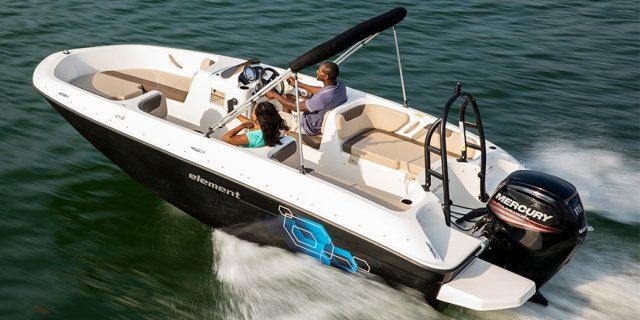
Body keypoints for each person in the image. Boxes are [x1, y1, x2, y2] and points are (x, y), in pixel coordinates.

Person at [265, 61, 347, 136]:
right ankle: (287, 124)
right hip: (318, 119)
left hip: (308, 126)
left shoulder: (321, 98)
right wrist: (299, 84)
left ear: (325, 77)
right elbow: (320, 90)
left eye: (319, 71)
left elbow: (294, 107)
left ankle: (291, 126)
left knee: (265, 113)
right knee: (287, 97)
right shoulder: (340, 86)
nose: (317, 72)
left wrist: (274, 94)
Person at [223, 101, 289, 148]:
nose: (252, 113)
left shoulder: (254, 137)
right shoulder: (273, 128)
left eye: (253, 111)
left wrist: (243, 126)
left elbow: (226, 138)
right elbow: (255, 125)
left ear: (257, 117)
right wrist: (236, 115)